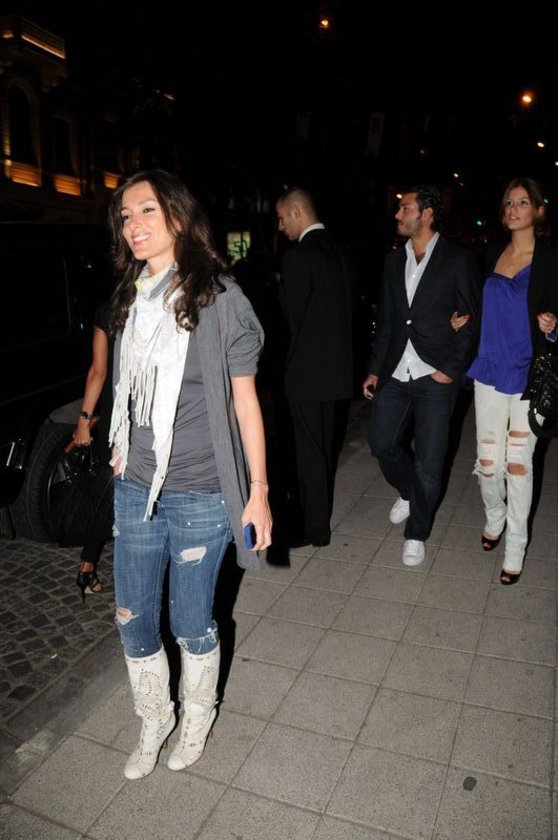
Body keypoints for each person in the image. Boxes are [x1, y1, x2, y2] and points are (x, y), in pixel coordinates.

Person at [106, 169, 272, 780]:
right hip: (136, 487)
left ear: (178, 215)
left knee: (190, 621)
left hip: (201, 490)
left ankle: (198, 715)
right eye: (125, 216)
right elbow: (127, 387)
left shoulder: (219, 300)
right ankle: (154, 718)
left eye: (147, 210)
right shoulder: (132, 298)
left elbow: (246, 403)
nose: (134, 224)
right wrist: (119, 444)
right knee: (131, 616)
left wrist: (258, 493)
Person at [362, 185, 480, 567]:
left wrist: (450, 371)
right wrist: (375, 368)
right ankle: (409, 492)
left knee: (430, 461)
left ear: (427, 213)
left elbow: (471, 322)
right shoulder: (392, 261)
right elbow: (388, 321)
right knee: (380, 442)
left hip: (435, 374)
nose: (398, 214)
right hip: (396, 370)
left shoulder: (458, 259)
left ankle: (416, 533)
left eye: (405, 208)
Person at [465, 177, 558, 584]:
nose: (514, 208)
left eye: (522, 202)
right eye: (508, 202)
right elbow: (477, 306)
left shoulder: (551, 260)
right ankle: (495, 516)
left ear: (538, 210)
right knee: (488, 462)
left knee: (518, 463)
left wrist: (552, 325)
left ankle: (516, 546)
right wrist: (463, 321)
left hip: (527, 374)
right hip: (488, 369)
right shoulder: (490, 254)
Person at [275, 187, 353, 547]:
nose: (280, 227)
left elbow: (290, 322)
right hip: (335, 372)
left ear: (296, 212)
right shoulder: (338, 251)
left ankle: (314, 528)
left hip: (305, 373)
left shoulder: (298, 256)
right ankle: (317, 522)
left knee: (308, 452)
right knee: (322, 449)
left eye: (281, 218)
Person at [72, 301, 113, 601]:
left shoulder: (109, 309)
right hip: (151, 414)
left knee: (107, 491)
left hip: (115, 416)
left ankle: (87, 566)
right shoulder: (165, 301)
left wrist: (84, 420)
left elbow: (98, 371)